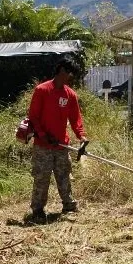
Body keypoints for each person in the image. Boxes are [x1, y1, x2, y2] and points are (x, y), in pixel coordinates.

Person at [26, 58, 87, 223]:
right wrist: (43, 135)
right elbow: (33, 116)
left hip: (61, 145)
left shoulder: (70, 95)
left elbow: (76, 120)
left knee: (64, 175)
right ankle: (37, 210)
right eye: (68, 73)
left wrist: (81, 137)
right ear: (61, 71)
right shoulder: (42, 90)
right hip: (43, 146)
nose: (70, 77)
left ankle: (69, 205)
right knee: (42, 177)